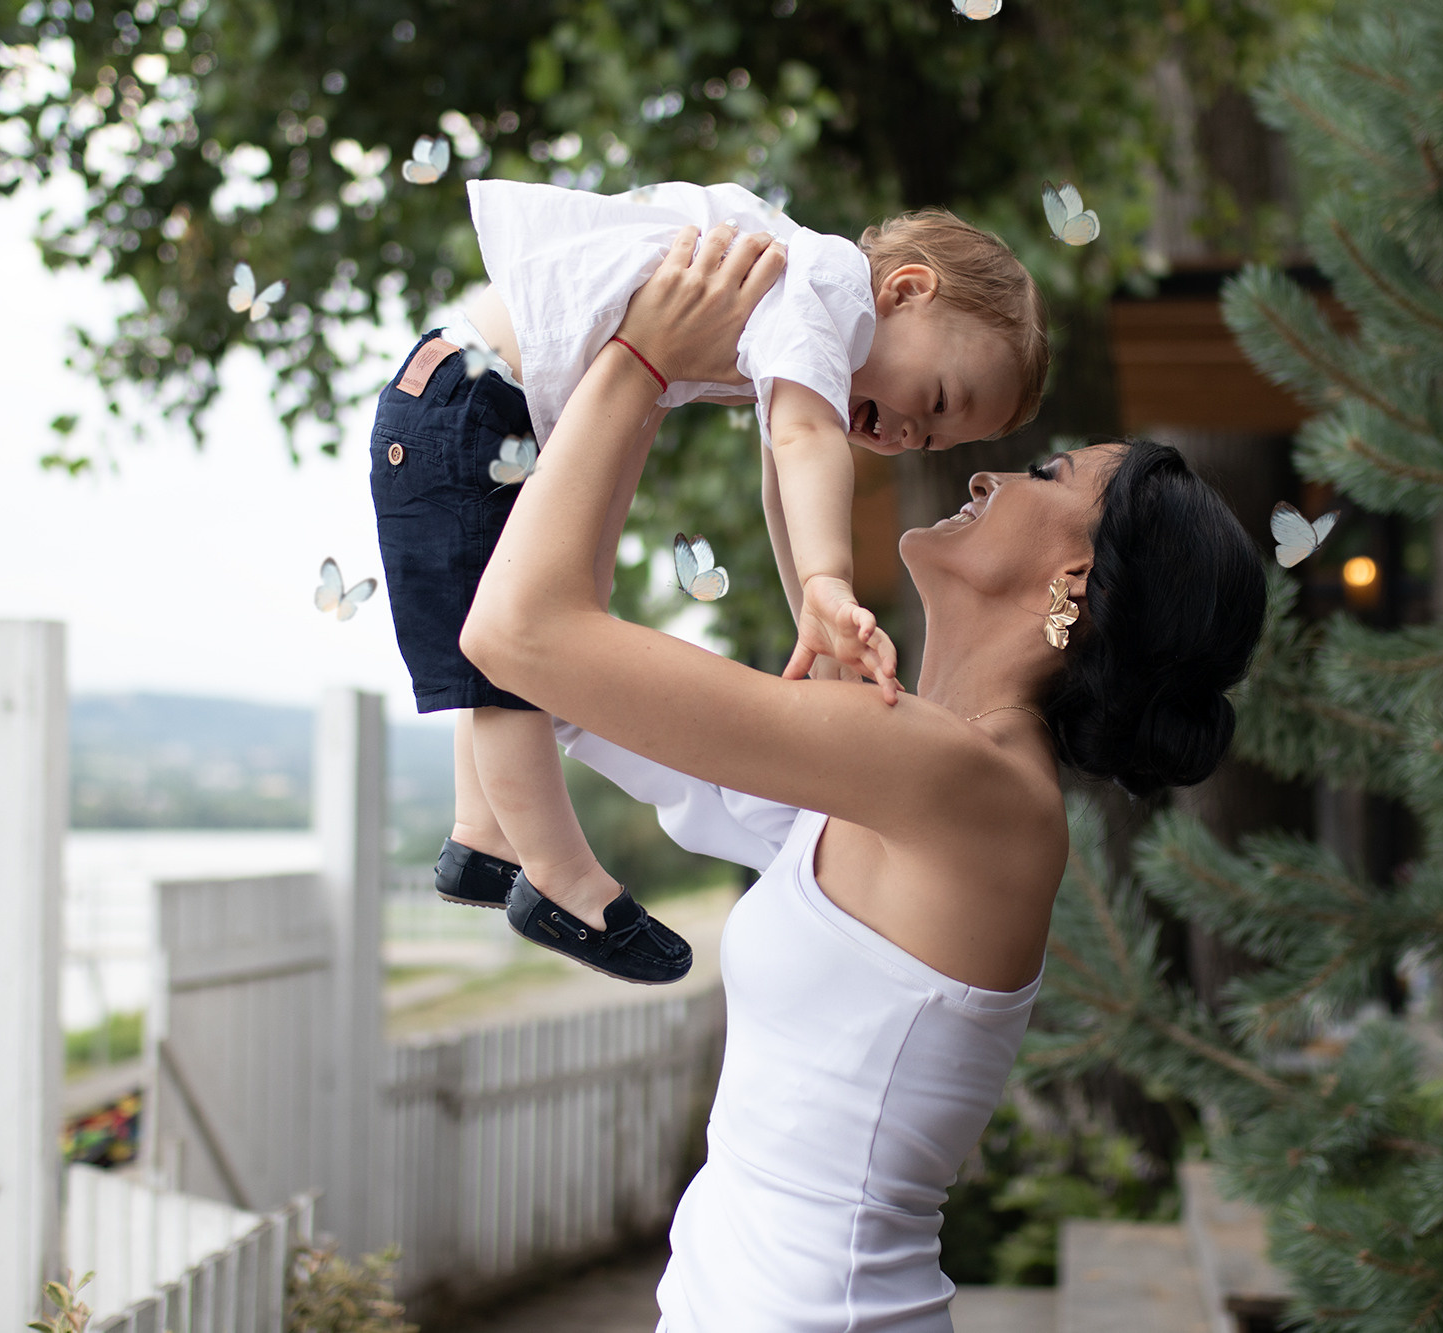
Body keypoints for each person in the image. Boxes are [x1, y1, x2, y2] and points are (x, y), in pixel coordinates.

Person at [462, 225, 1268, 1332]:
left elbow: (520, 634)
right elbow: (556, 682)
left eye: (1045, 474)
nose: (985, 470)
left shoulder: (968, 785)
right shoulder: (905, 766)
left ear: (1074, 580)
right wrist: (734, 366)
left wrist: (639, 357)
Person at [367, 179, 1047, 984]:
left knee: (494, 644)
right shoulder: (825, 291)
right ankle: (559, 876)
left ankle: (482, 834)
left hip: (472, 400)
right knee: (505, 665)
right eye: (934, 400)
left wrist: (817, 612)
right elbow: (803, 441)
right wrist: (828, 578)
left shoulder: (800, 314)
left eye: (931, 440)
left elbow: (779, 476)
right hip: (473, 404)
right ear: (905, 290)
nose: (908, 432)